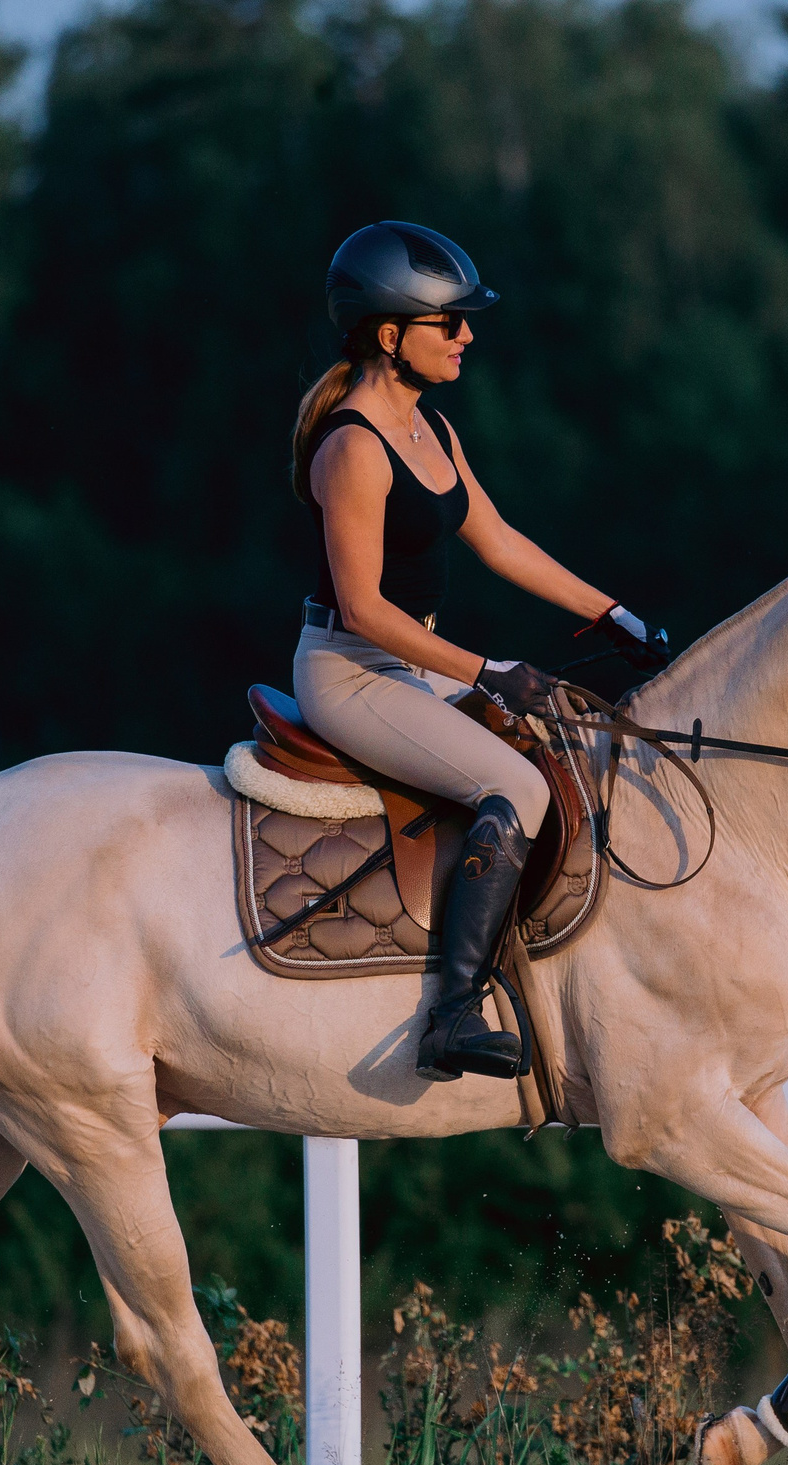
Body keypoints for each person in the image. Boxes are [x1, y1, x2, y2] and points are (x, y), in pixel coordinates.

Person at [289, 221, 668, 1081]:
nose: (467, 336)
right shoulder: (353, 447)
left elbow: (498, 541)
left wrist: (615, 615)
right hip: (351, 672)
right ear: (391, 336)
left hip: (413, 667)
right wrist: (489, 670)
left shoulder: (434, 430)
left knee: (565, 752)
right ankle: (452, 1014)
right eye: (448, 323)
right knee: (519, 784)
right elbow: (364, 608)